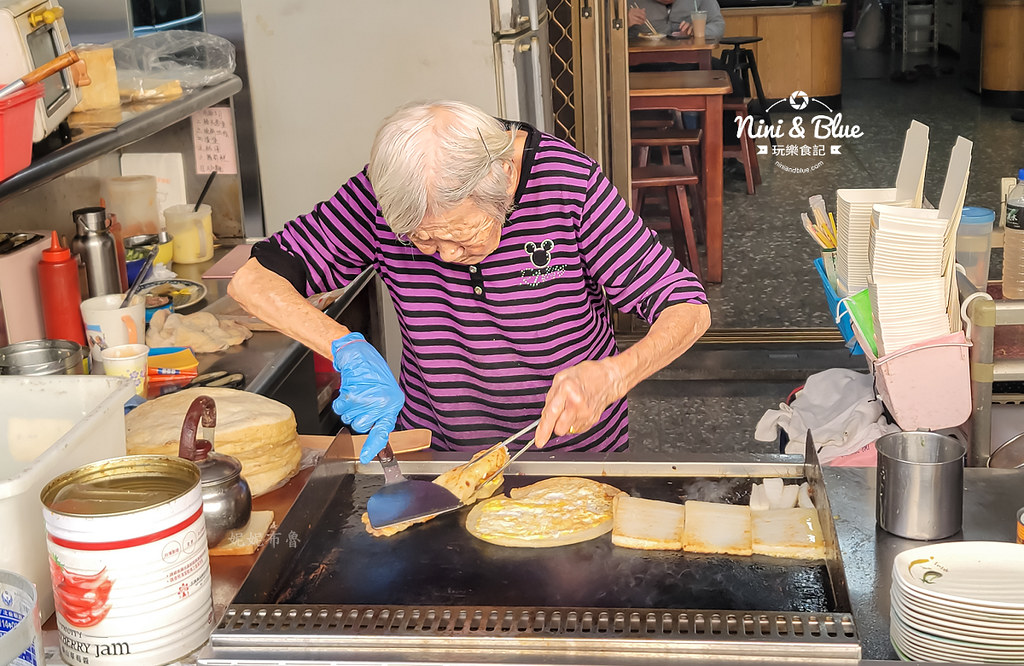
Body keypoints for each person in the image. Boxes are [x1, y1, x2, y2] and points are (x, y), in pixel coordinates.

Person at [227, 101, 710, 464]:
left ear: (504, 175)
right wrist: (345, 347)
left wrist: (613, 376)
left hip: (571, 454)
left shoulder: (567, 183)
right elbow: (252, 281)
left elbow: (687, 307)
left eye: (465, 234)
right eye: (426, 242)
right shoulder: (386, 191)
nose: (450, 256)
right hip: (437, 455)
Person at [628, 0, 725, 40]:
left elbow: (718, 25)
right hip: (641, 62)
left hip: (690, 59)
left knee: (730, 78)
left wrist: (698, 31)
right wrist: (625, 22)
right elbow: (613, 35)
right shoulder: (626, 2)